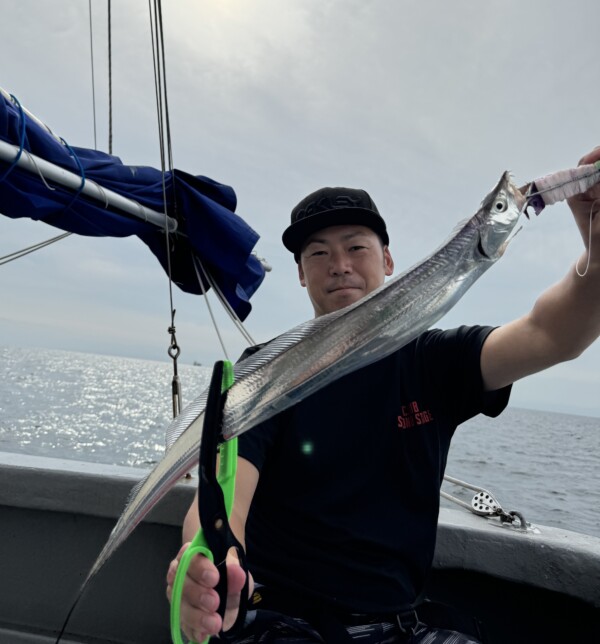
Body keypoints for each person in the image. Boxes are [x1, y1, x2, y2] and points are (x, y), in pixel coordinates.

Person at [166, 146, 600, 643]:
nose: (339, 265)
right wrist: (209, 557)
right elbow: (224, 494)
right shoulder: (268, 373)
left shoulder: (434, 361)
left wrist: (598, 249)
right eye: (318, 253)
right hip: (280, 616)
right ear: (302, 274)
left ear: (389, 260)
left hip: (400, 626)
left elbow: (553, 335)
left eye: (356, 247)